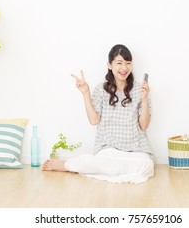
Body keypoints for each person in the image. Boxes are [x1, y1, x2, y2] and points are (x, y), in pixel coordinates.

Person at [43, 44, 154, 183]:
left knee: (147, 166)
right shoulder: (101, 89)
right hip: (109, 150)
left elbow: (143, 126)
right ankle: (67, 165)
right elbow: (94, 120)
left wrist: (144, 99)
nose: (124, 68)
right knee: (106, 161)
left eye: (128, 63)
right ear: (109, 65)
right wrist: (85, 93)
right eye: (119, 63)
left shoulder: (141, 89)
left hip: (136, 150)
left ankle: (104, 169)